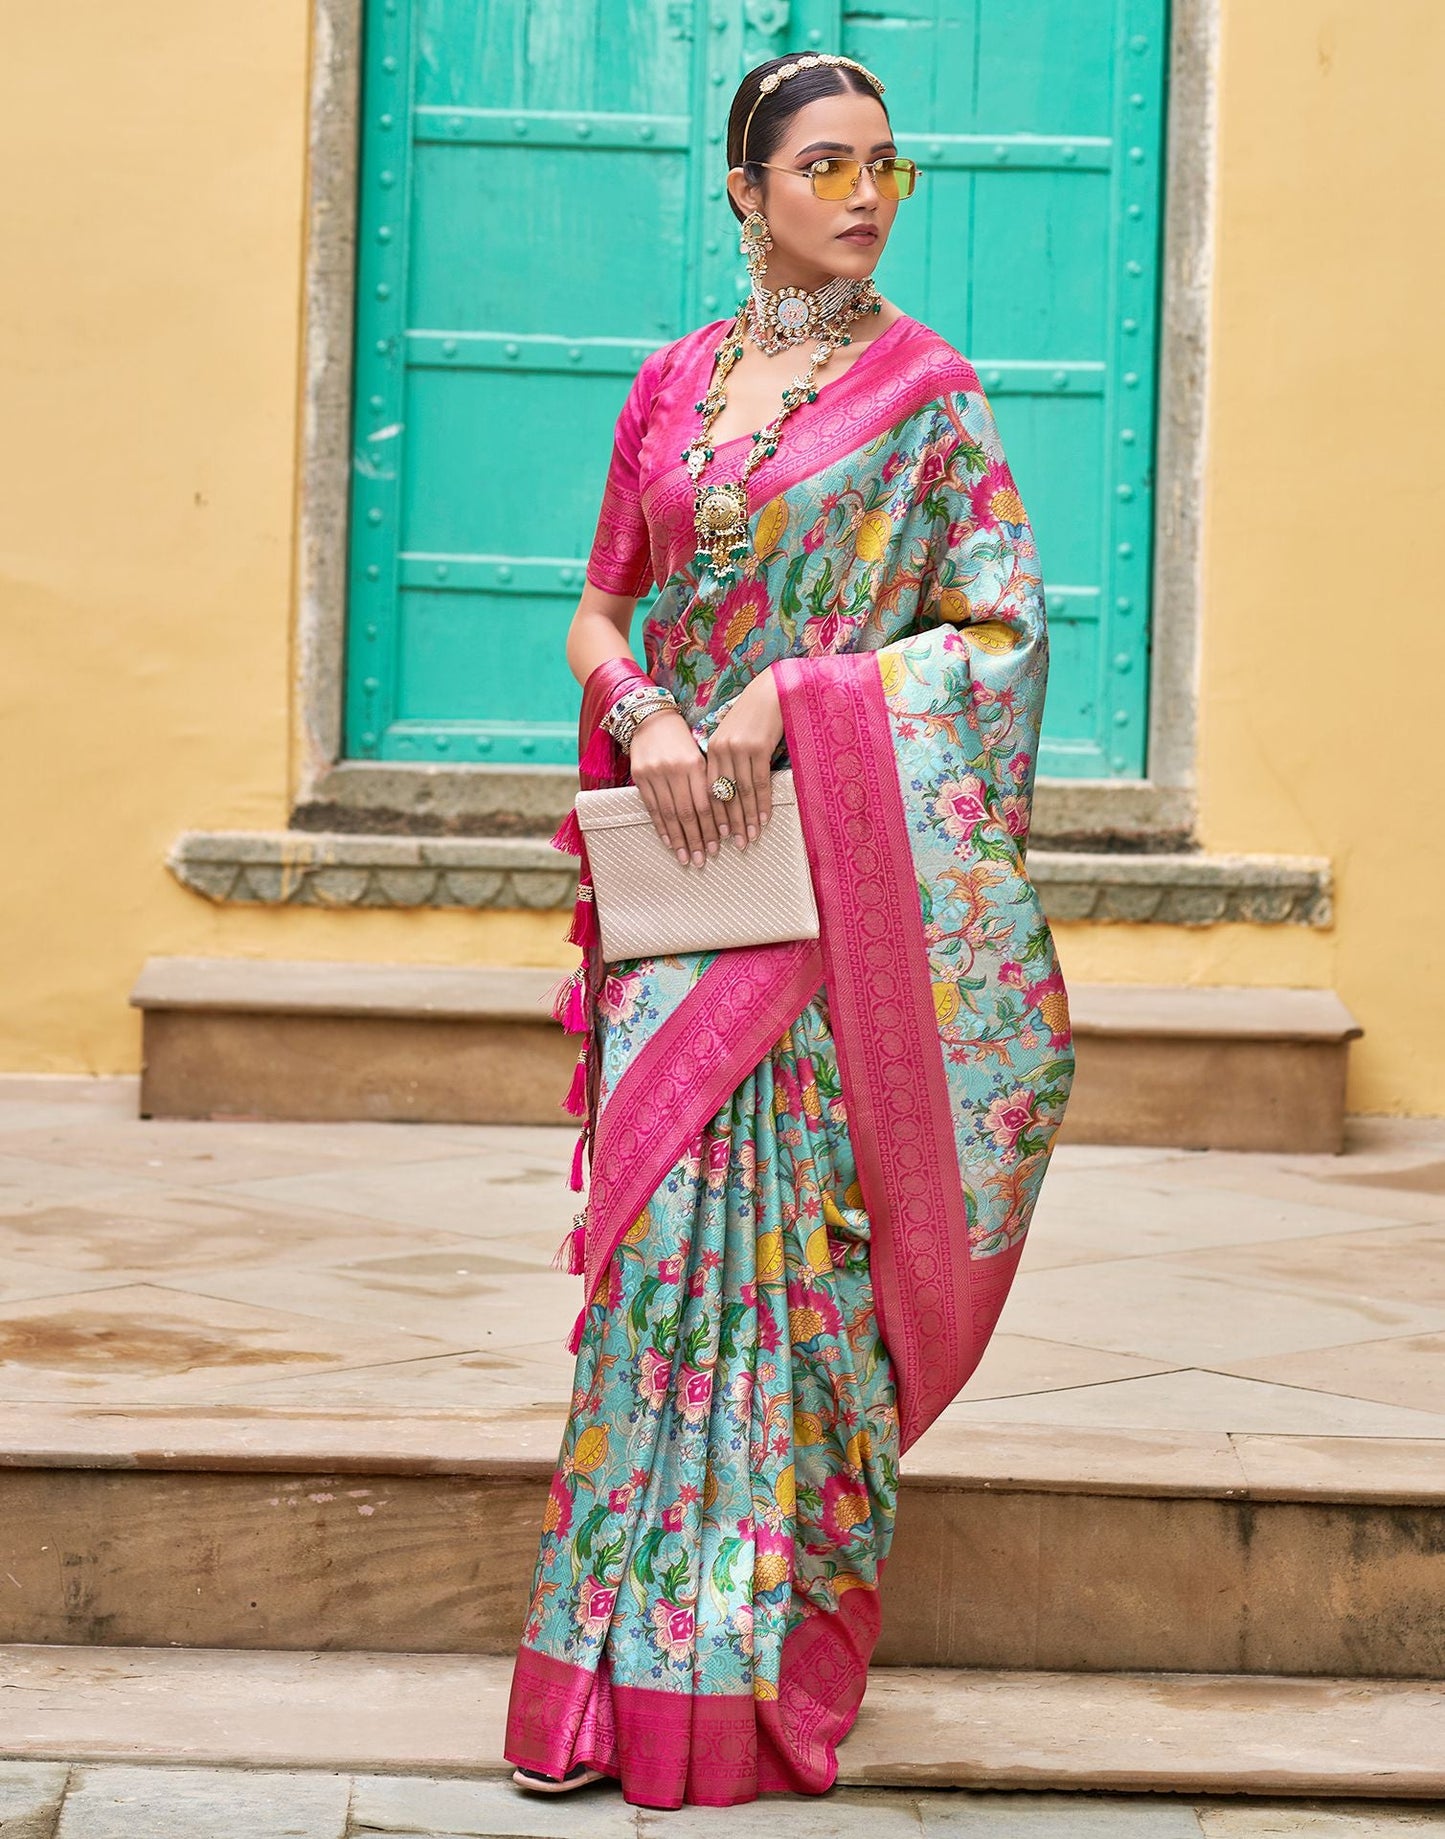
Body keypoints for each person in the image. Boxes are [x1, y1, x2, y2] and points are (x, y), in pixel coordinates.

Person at [503, 50, 1074, 1810]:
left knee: (794, 1287)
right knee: (662, 1273)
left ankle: (743, 1690)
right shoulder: (670, 388)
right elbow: (599, 611)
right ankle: (600, 1685)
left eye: (886, 167)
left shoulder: (931, 402)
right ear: (742, 190)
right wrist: (659, 715)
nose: (862, 194)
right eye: (823, 166)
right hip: (685, 897)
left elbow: (999, 641)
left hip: (834, 906)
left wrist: (797, 702)